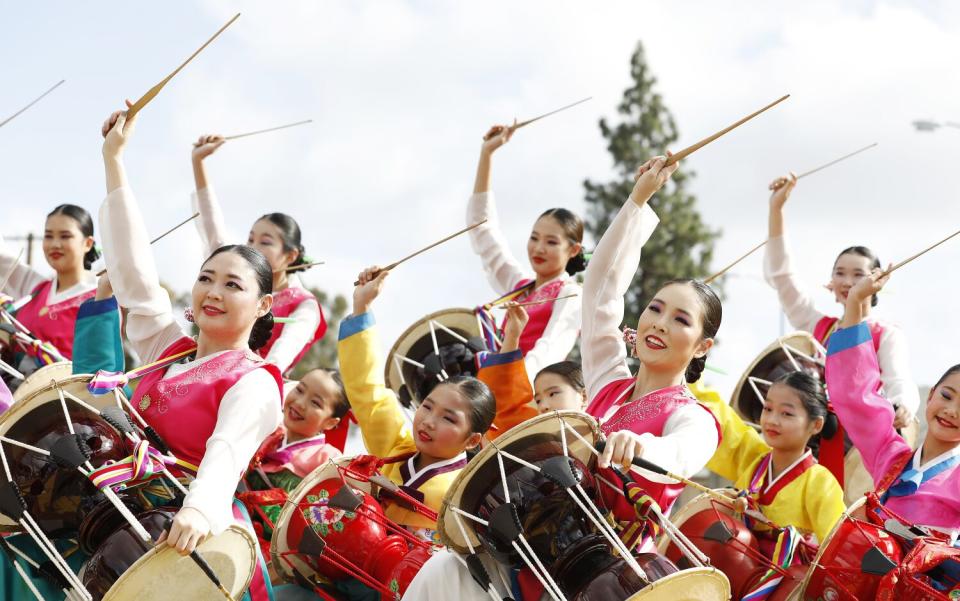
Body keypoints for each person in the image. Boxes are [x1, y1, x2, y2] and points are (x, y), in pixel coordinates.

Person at [100, 104, 282, 600]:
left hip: (193, 543)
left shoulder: (255, 380)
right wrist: (114, 160)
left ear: (264, 304)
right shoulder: (169, 349)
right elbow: (134, 274)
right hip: (130, 527)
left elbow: (225, 451)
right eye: (205, 279)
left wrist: (198, 510)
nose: (213, 292)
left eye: (231, 284)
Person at [338, 266, 496, 543]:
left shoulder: (467, 496)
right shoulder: (395, 448)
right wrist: (362, 306)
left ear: (472, 440)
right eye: (427, 406)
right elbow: (367, 390)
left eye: (449, 418)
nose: (429, 421)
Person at [764, 172, 919, 425]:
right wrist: (776, 209)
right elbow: (783, 277)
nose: (848, 282)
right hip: (812, 434)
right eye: (840, 273)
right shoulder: (817, 327)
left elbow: (898, 379)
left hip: (859, 442)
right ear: (831, 283)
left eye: (858, 275)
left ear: (876, 283)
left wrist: (902, 405)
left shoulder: (886, 334)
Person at [825, 269, 960, 540]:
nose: (951, 411)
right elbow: (858, 395)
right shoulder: (892, 458)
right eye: (947, 395)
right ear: (931, 394)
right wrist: (855, 302)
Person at [190, 134, 326, 374]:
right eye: (250, 239)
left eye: (265, 242)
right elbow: (212, 226)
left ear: (290, 255)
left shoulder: (304, 305)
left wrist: (250, 382)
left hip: (254, 384)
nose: (252, 247)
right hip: (205, 369)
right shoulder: (233, 269)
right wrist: (198, 163)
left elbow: (280, 355)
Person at [468, 123, 583, 381]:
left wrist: (510, 384)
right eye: (534, 238)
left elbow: (551, 348)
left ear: (573, 250)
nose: (539, 248)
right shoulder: (518, 286)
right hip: (494, 385)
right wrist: (487, 155)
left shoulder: (570, 294)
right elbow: (483, 231)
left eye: (552, 242)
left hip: (526, 393)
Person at [700, 371, 845, 545]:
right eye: (768, 409)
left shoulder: (821, 482)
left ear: (816, 425)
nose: (772, 420)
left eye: (786, 413)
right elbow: (721, 422)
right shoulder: (755, 462)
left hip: (788, 571)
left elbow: (836, 545)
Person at [0, 203, 100, 364]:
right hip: (17, 387)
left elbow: (101, 364)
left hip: (68, 388)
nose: (55, 244)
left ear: (88, 243)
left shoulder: (100, 297)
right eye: (48, 236)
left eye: (65, 236)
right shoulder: (35, 289)